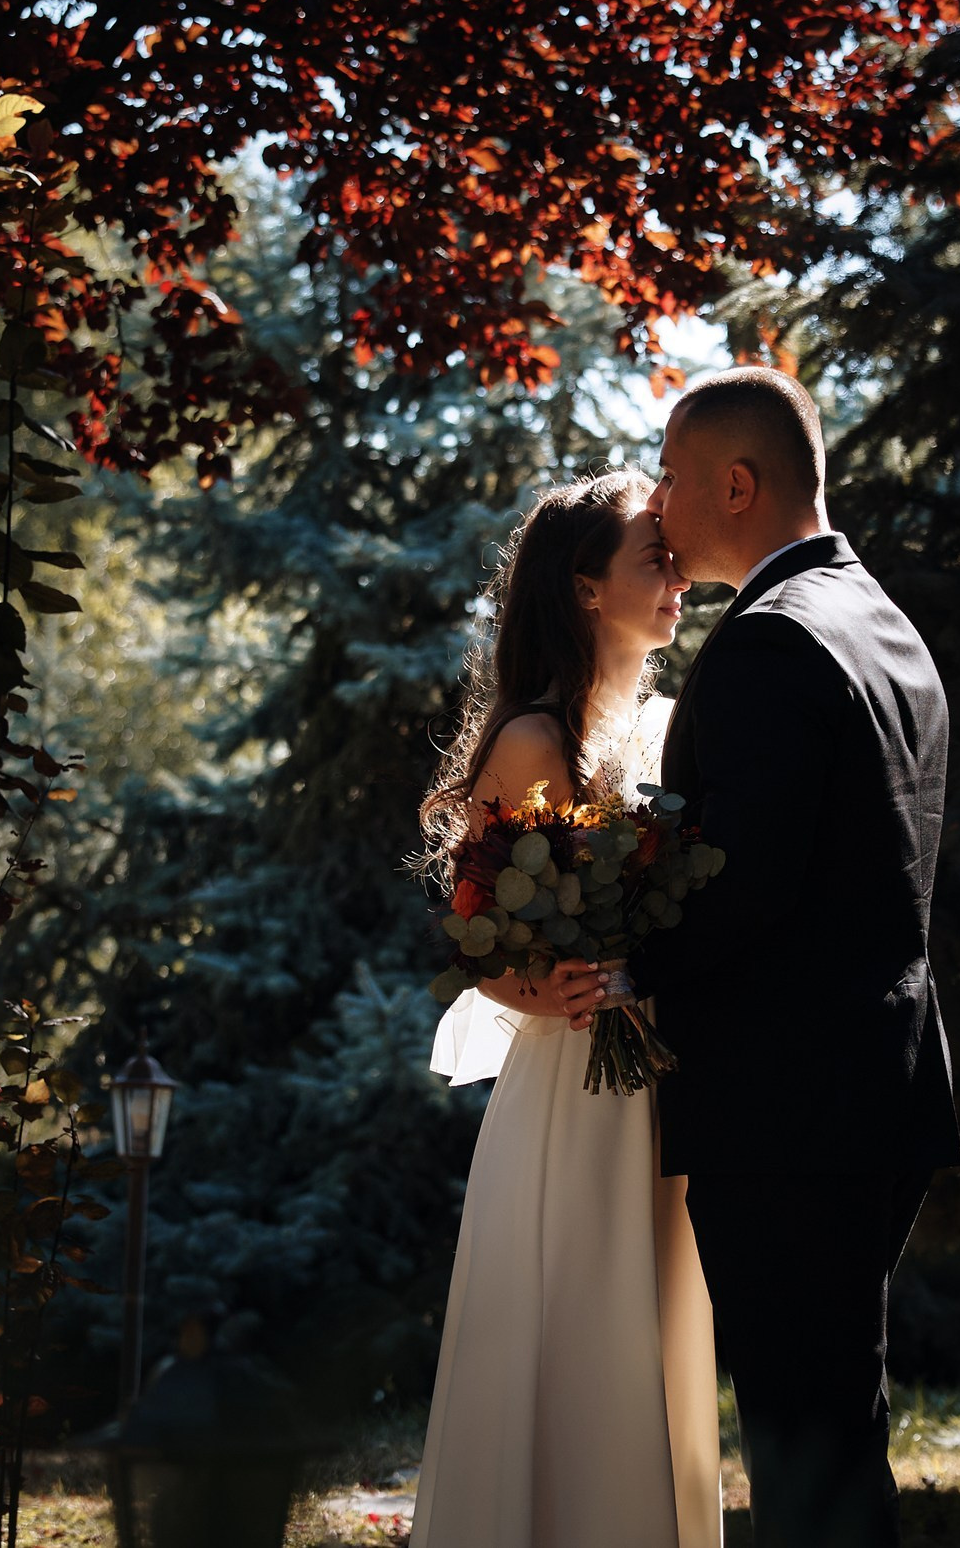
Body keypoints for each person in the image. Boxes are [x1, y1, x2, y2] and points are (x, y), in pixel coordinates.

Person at [606, 364, 960, 1548]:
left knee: (805, 1454)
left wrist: (620, 960)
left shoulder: (767, 643)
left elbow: (743, 885)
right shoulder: (882, 623)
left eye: (668, 473)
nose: (656, 502)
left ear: (737, 482)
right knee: (834, 1431)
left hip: (787, 1107)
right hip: (881, 1082)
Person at [410, 469, 723, 1548]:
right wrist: (533, 984)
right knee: (575, 1335)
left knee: (653, 1334)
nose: (679, 575)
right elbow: (473, 935)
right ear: (588, 587)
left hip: (660, 1083)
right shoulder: (535, 742)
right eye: (655, 555)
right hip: (572, 1092)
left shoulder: (667, 729)